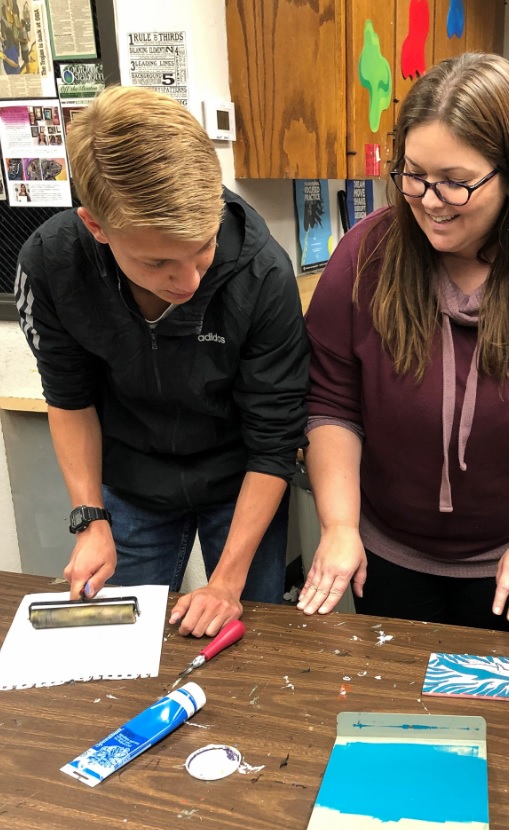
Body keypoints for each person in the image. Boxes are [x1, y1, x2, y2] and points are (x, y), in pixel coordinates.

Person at [299, 53, 509, 632]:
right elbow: (332, 403)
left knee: (486, 711)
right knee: (397, 708)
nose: (427, 198)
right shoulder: (365, 256)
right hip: (385, 545)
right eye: (414, 173)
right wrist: (340, 526)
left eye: (455, 182)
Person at [15, 86, 309, 637]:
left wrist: (226, 582)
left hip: (238, 478)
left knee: (244, 631)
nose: (190, 281)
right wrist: (90, 517)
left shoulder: (263, 273)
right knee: (120, 643)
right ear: (96, 228)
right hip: (129, 481)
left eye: (203, 247)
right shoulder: (51, 267)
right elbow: (69, 397)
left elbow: (275, 441)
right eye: (158, 262)